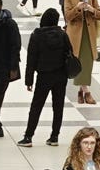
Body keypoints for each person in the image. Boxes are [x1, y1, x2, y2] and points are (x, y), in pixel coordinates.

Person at [21, 9, 75, 148]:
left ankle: (28, 136)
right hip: (61, 76)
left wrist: (29, 80)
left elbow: (31, 59)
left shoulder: (37, 35)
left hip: (44, 76)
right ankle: (54, 136)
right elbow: (70, 53)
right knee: (58, 107)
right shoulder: (62, 35)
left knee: (36, 106)